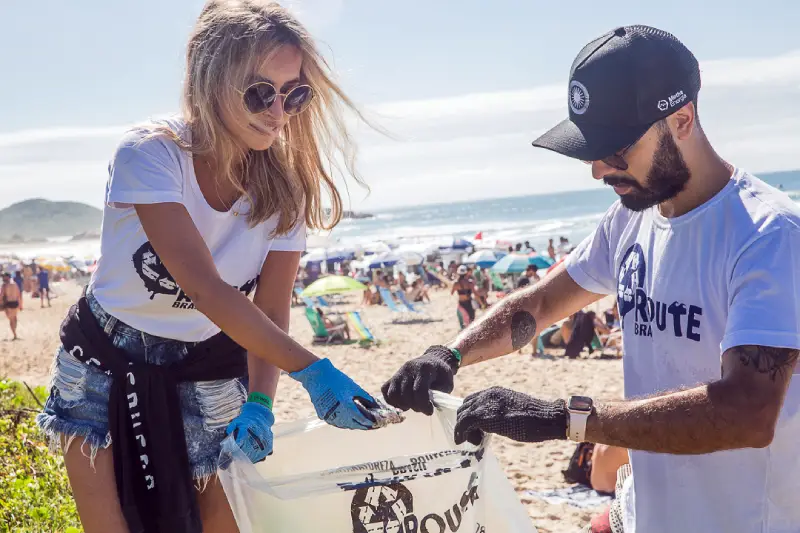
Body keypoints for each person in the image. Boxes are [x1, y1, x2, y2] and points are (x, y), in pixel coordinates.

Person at [382, 25, 800, 533]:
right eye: (589, 150)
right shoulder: (631, 217)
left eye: (615, 148)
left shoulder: (770, 236)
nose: (599, 171)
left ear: (682, 119)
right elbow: (542, 302)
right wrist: (448, 354)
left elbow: (748, 412)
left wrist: (564, 418)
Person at [36, 3, 381, 532]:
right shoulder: (151, 154)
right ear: (209, 76)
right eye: (261, 91)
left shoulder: (285, 190)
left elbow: (269, 309)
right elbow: (203, 287)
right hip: (102, 355)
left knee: (226, 519)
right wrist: (313, 369)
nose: (279, 111)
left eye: (295, 94)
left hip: (210, 359)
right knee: (107, 523)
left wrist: (263, 400)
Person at [451, 265, 475, 329]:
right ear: (466, 273)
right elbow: (475, 293)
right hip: (469, 303)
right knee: (471, 321)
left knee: (463, 323)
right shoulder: (470, 282)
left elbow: (452, 293)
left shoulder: (456, 283)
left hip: (461, 304)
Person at [1, 273, 21, 340]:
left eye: (4, 277)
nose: (3, 278)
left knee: (11, 320)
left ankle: (15, 334)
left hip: (8, 304)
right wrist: (20, 304)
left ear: (7, 277)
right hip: (15, 303)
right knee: (14, 318)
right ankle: (15, 333)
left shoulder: (4, 285)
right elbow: (18, 294)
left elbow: (1, 296)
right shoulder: (15, 284)